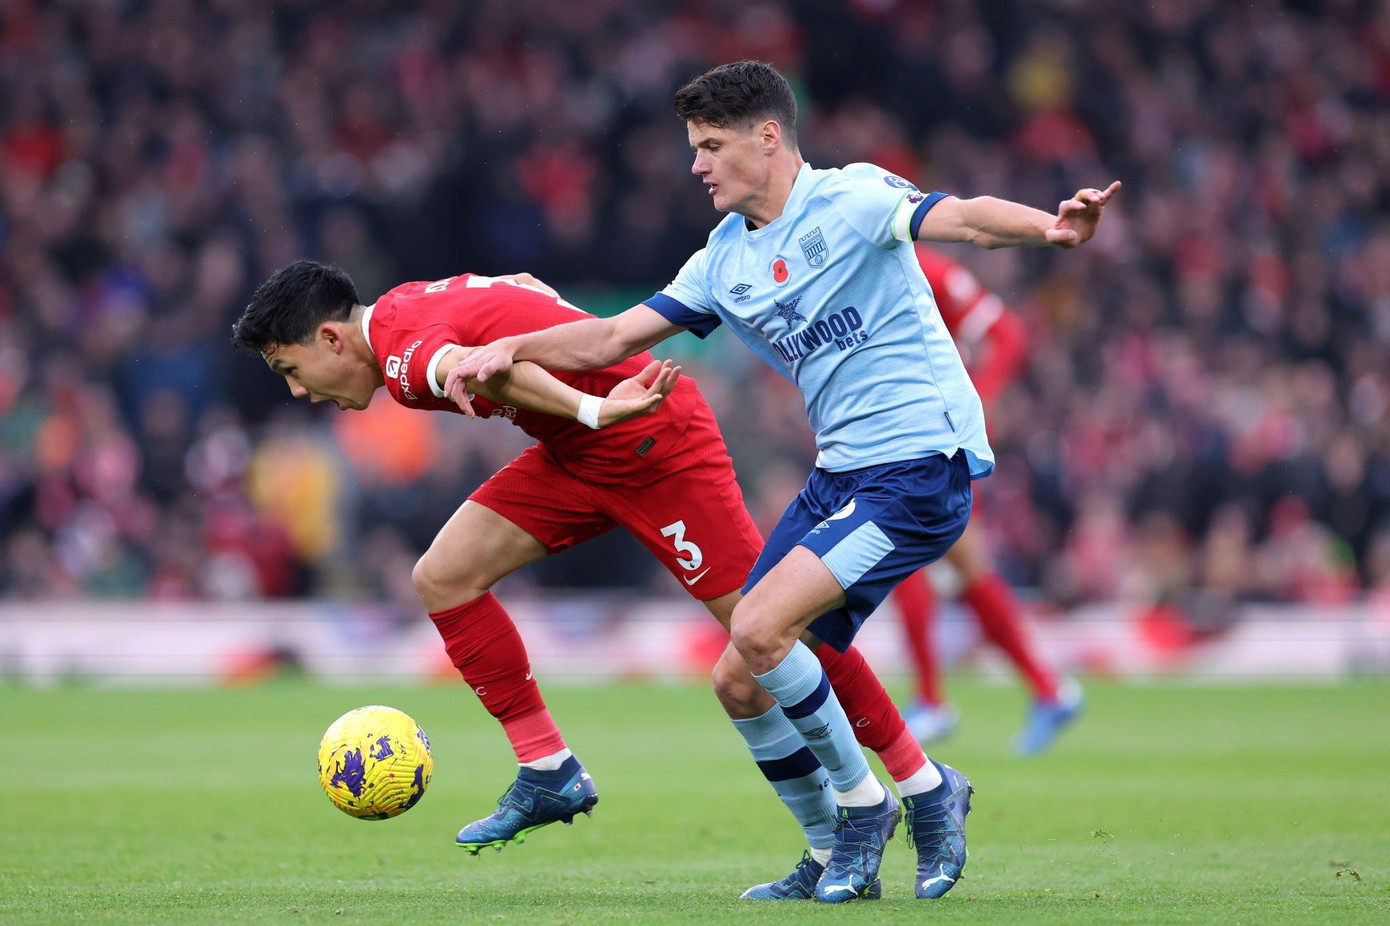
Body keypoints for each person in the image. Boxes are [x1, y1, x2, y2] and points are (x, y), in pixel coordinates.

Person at [452, 60, 1119, 902]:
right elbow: (610, 339)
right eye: (694, 147)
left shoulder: (851, 199)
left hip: (919, 467)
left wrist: (1050, 228)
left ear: (768, 138)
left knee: (762, 627)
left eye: (710, 145)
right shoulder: (722, 261)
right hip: (839, 474)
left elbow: (965, 219)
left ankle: (869, 810)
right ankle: (862, 832)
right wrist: (509, 348)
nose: (696, 165)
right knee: (737, 678)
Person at [230, 260, 965, 899]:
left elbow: (496, 367)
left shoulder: (401, 357)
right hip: (577, 453)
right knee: (444, 577)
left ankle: (920, 784)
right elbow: (518, 286)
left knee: (772, 632)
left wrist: (592, 406)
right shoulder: (403, 304)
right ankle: (549, 767)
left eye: (290, 370)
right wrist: (582, 401)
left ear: (331, 339)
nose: (298, 393)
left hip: (651, 444)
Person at [894, 245, 1083, 755]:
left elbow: (1008, 333)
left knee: (901, 551)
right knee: (965, 569)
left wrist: (977, 398)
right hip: (913, 434)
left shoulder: (926, 267)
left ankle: (932, 699)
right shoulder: (868, 264)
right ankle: (1048, 689)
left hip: (939, 438)